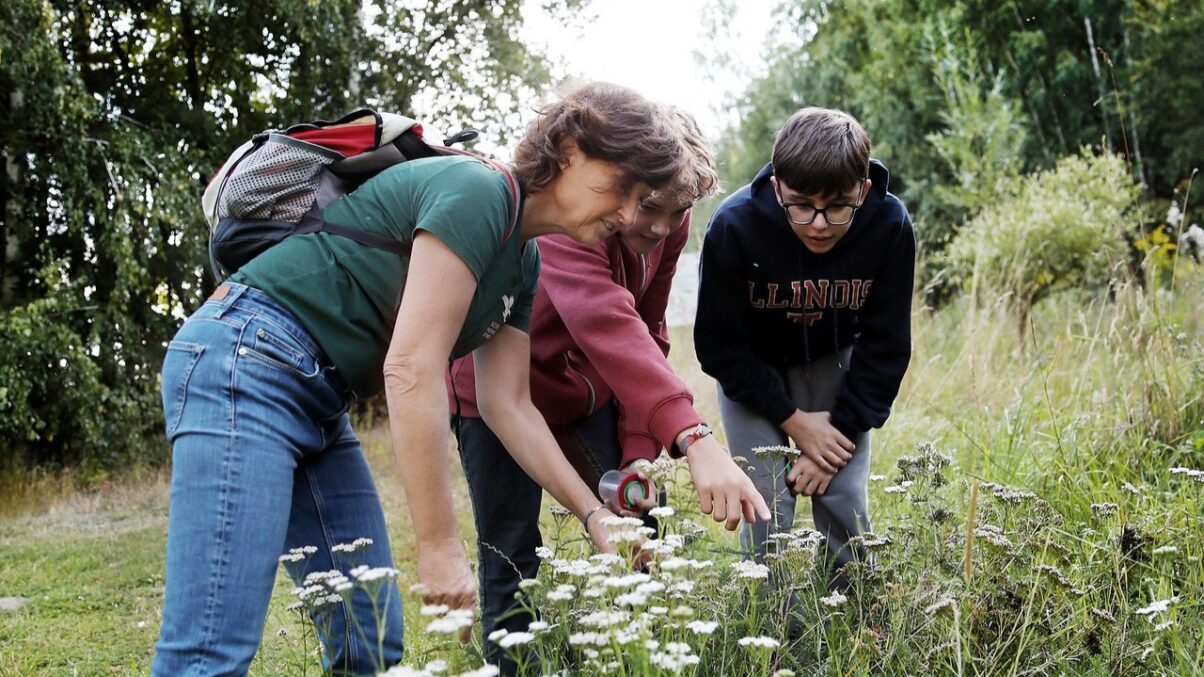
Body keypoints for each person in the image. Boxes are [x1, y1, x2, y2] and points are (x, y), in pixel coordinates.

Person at [151, 82, 689, 677]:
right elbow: (411, 368)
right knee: (210, 651)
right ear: (567, 150)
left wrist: (596, 517)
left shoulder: (523, 256)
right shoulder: (478, 191)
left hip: (319, 397)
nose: (625, 212)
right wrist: (438, 546)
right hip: (245, 363)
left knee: (367, 640)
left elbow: (508, 404)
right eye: (621, 186)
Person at [448, 108, 771, 672]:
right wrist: (693, 435)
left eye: (678, 214)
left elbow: (647, 329)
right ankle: (511, 665)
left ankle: (639, 656)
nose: (659, 228)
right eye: (649, 206)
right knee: (511, 550)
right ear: (624, 187)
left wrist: (640, 451)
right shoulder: (576, 222)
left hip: (585, 396)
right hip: (494, 397)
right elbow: (607, 323)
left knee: (640, 519)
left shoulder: (666, 227)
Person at [695, 107, 915, 588]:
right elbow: (718, 347)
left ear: (864, 189)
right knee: (766, 497)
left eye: (837, 206)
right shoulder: (733, 226)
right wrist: (794, 422)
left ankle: (857, 613)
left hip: (836, 368)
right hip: (753, 373)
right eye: (800, 205)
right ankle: (769, 627)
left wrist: (834, 439)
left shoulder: (889, 224)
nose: (819, 223)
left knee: (842, 494)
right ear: (777, 186)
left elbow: (887, 345)